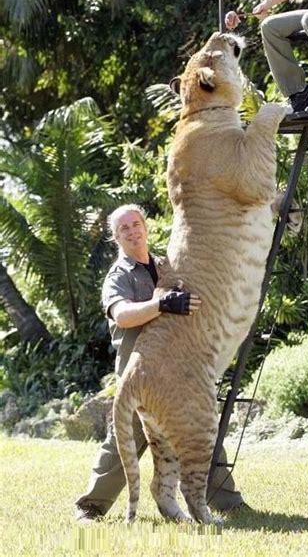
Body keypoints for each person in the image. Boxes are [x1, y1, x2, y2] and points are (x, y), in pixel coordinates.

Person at [75, 204, 246, 522]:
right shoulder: (119, 275)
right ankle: (91, 506)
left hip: (179, 363)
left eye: (136, 224)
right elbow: (123, 315)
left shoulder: (167, 264)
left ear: (146, 226)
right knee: (125, 436)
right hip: (138, 368)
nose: (132, 231)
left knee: (199, 422)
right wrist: (163, 303)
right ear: (116, 237)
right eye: (124, 228)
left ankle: (227, 500)